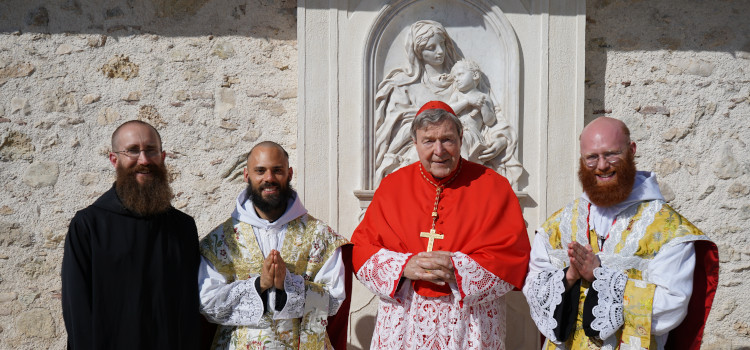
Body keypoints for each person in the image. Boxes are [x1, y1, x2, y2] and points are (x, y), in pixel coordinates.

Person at [523, 117, 719, 350]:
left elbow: (671, 306)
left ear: (632, 150)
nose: (602, 165)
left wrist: (601, 277)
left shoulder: (667, 229)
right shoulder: (559, 225)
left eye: (611, 154)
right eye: (592, 157)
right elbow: (533, 286)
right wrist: (569, 277)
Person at [352, 101, 531, 349]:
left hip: (469, 324)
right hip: (405, 321)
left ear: (460, 138)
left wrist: (457, 268)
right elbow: (362, 250)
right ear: (415, 143)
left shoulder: (494, 187)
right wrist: (404, 266)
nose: (439, 150)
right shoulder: (392, 186)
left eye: (447, 139)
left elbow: (513, 255)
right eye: (428, 141)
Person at [61, 120, 201, 349]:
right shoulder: (88, 226)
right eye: (133, 151)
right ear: (114, 160)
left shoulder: (183, 227)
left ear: (163, 156)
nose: (144, 160)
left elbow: (190, 309)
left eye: (151, 150)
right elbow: (77, 311)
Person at [198, 141, 351, 349]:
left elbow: (334, 300)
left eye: (277, 170)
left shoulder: (318, 235)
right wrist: (258, 285)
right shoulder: (222, 240)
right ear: (246, 175)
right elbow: (207, 303)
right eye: (260, 171)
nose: (269, 178)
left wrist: (287, 286)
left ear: (289, 173)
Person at [448, 58, 495, 161]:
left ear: (475, 75)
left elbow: (490, 121)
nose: (456, 79)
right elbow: (448, 111)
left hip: (472, 135)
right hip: (455, 132)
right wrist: (466, 102)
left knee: (461, 139)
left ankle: (463, 163)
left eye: (460, 74)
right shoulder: (457, 95)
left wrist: (483, 107)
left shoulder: (483, 97)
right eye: (455, 77)